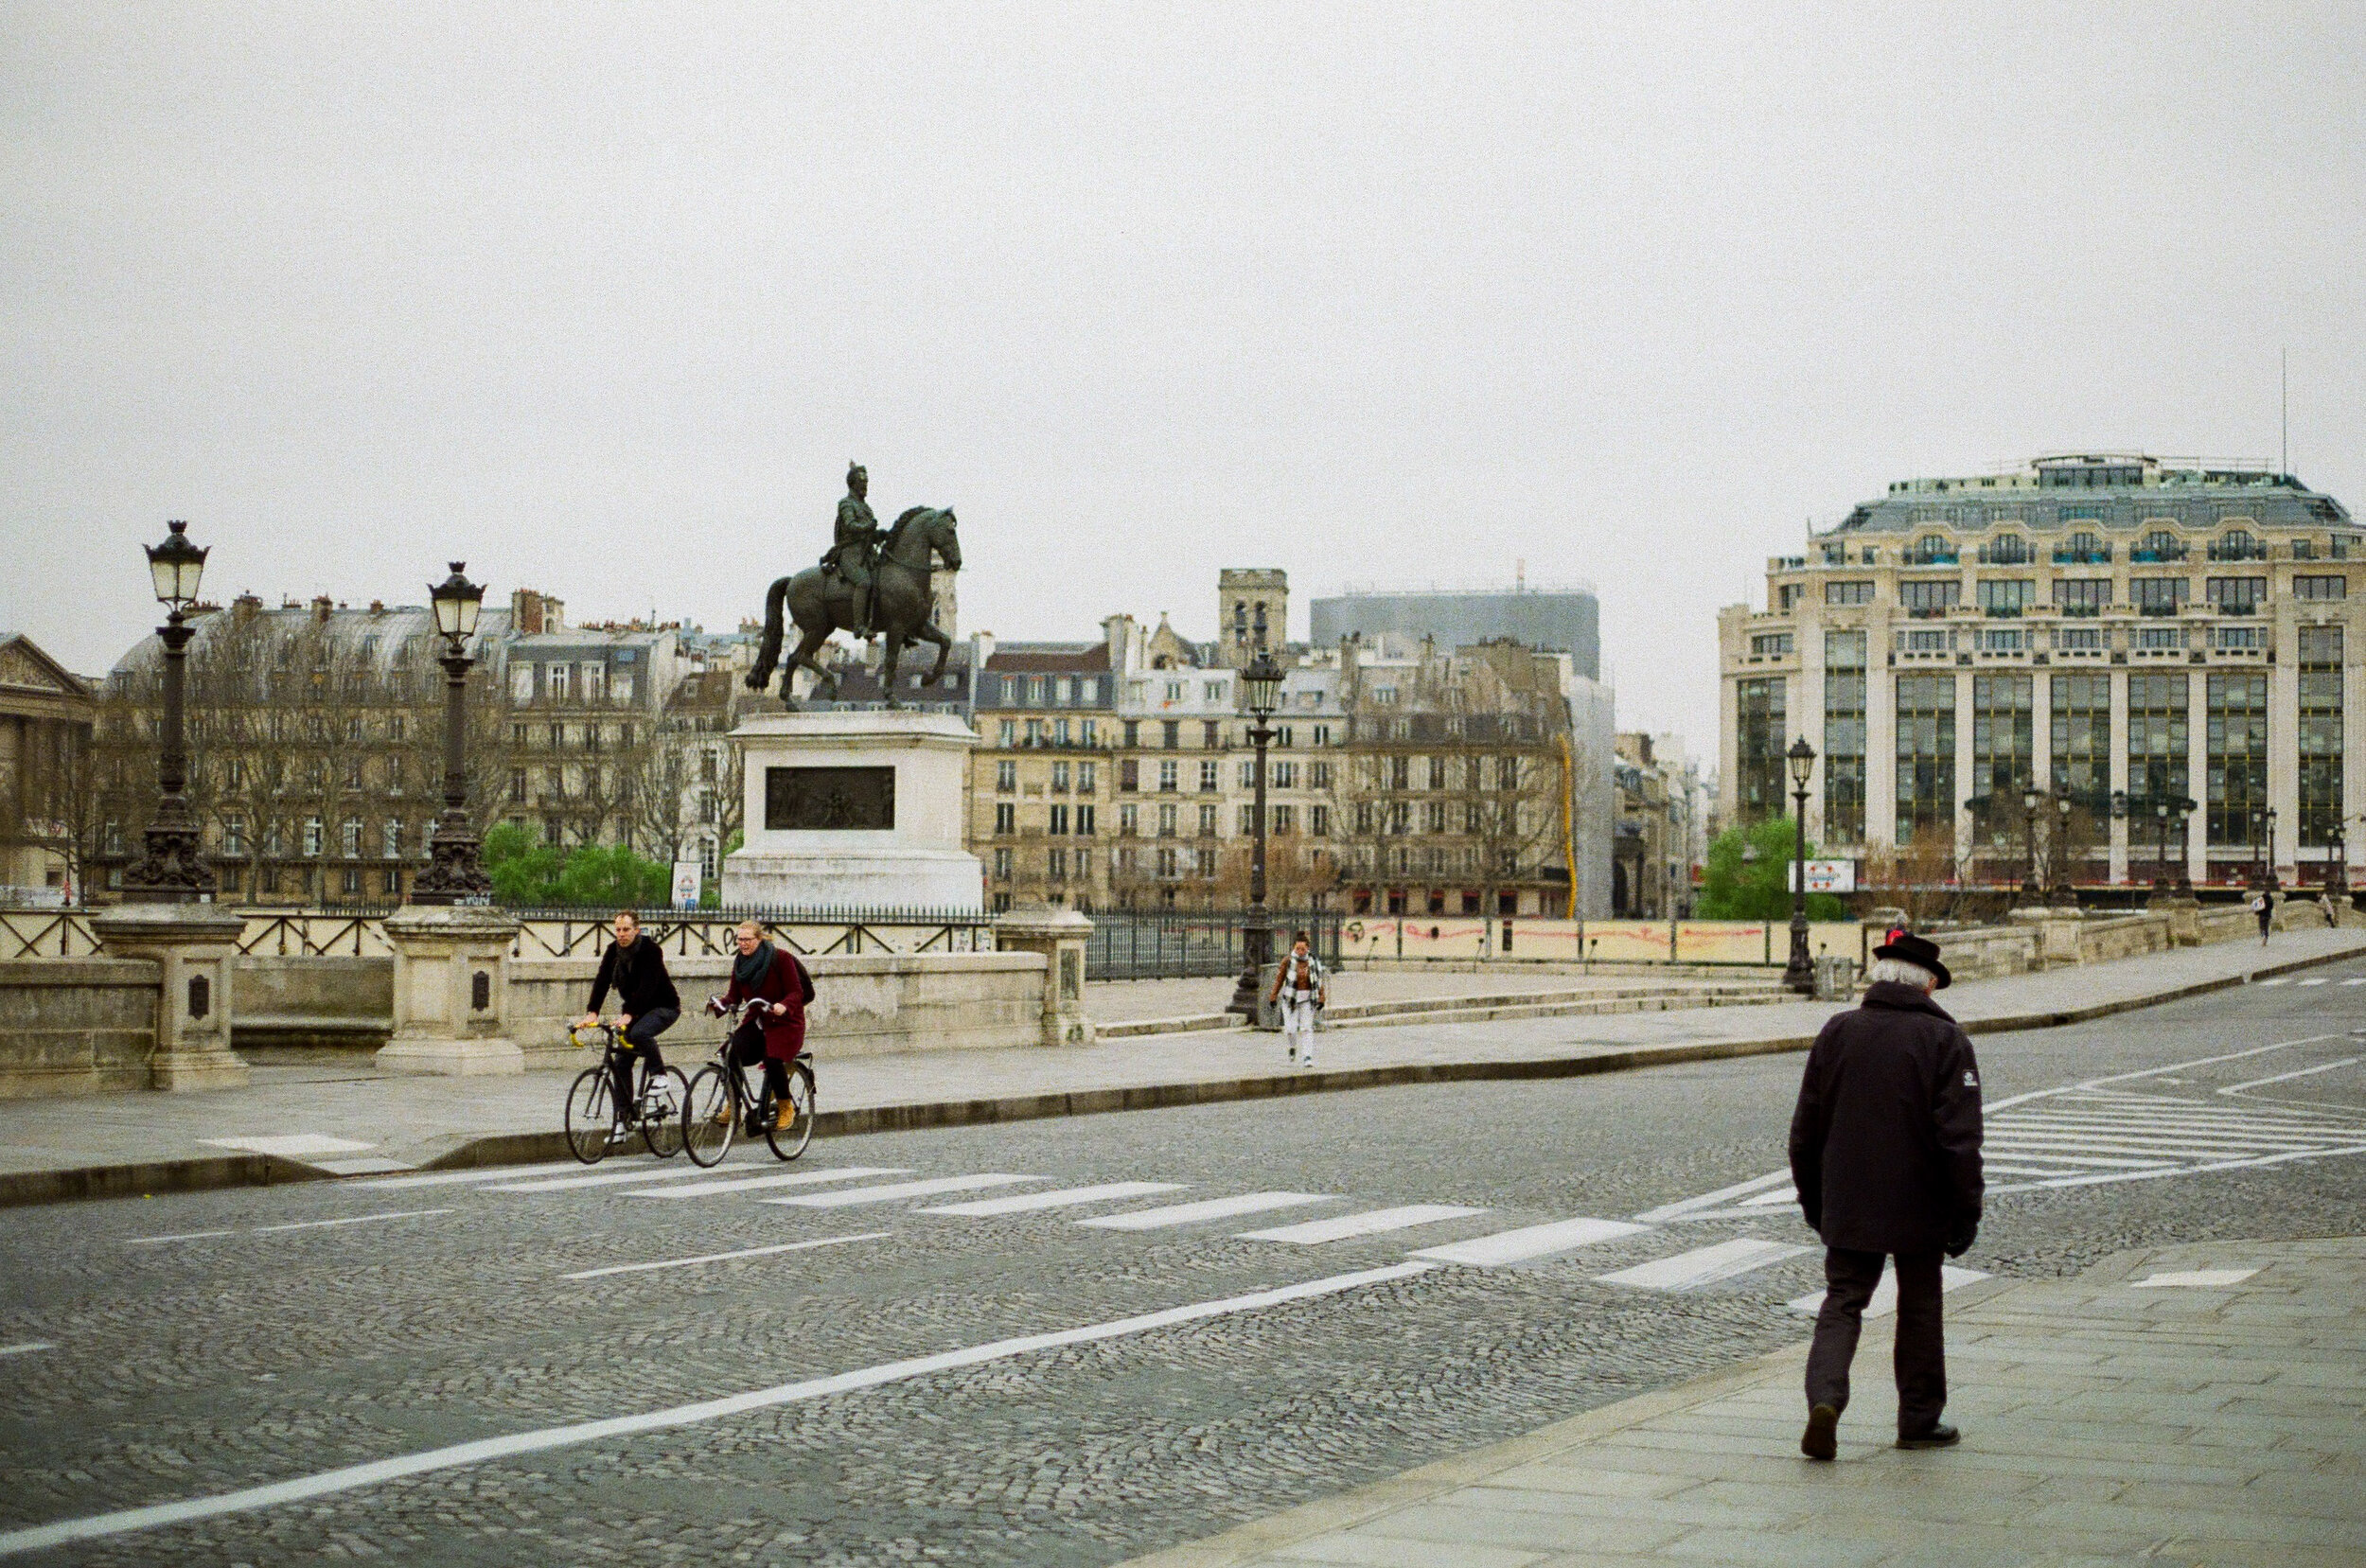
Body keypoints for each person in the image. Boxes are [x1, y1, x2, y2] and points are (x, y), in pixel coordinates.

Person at [1788, 929, 1984, 1461]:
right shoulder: (1946, 1042)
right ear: (1926, 988)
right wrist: (1967, 1211)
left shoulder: (1838, 1031)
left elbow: (1805, 1130)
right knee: (1919, 1303)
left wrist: (1816, 1202)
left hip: (1848, 1196)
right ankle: (1918, 1419)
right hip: (1920, 1200)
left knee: (1843, 1302)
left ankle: (1824, 1403)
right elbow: (1960, 1142)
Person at [576, 909, 680, 1138]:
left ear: (637, 930)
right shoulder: (613, 951)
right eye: (618, 930)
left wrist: (629, 1014)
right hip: (635, 1010)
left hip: (663, 1006)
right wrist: (592, 1012)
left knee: (640, 1033)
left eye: (626, 929)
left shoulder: (651, 951)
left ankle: (660, 1075)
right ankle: (623, 1121)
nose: (621, 934)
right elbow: (602, 980)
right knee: (621, 1062)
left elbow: (648, 987)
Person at [709, 920, 815, 1131]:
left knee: (773, 1058)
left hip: (786, 1023)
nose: (743, 944)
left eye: (747, 939)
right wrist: (719, 1005)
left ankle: (786, 1106)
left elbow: (796, 992)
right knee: (730, 1053)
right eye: (740, 939)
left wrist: (784, 1005)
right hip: (759, 1021)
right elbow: (734, 996)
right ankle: (734, 1106)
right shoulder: (740, 963)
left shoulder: (780, 958)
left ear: (759, 939)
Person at [820, 462, 880, 639]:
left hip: (866, 554)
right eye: (862, 483)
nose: (865, 487)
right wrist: (868, 526)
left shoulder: (866, 507)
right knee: (864, 582)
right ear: (853, 484)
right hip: (849, 554)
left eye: (867, 483)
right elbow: (849, 525)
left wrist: (880, 534)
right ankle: (859, 626)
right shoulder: (846, 504)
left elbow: (869, 533)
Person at [1266, 930, 1327, 1067]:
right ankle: (1292, 1046)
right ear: (1293, 948)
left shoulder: (1313, 961)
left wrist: (1321, 998)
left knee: (1306, 1028)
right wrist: (1273, 996)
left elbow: (1318, 981)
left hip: (1308, 999)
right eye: (1297, 948)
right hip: (1290, 999)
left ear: (1308, 948)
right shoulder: (1287, 961)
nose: (1300, 951)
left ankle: (1307, 1056)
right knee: (1290, 1029)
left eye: (1303, 949)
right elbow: (1279, 980)